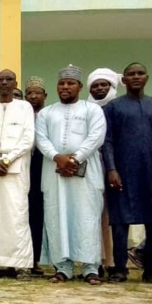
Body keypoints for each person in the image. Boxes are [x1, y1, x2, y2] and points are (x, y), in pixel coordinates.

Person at [103, 62, 152, 284]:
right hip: (123, 171)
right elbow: (107, 142)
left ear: (147, 77)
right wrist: (111, 169)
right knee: (119, 221)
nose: (136, 77)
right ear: (124, 80)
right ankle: (119, 269)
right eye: (131, 74)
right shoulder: (113, 108)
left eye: (140, 73)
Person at [35, 65, 106, 284]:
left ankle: (90, 268)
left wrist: (75, 158)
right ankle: (62, 267)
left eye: (70, 83)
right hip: (54, 171)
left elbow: (97, 136)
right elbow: (40, 139)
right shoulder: (47, 112)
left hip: (86, 173)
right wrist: (58, 157)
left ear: (80, 87)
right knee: (57, 217)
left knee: (87, 216)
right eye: (61, 83)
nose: (65, 87)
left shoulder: (92, 110)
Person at [0, 70, 36, 280]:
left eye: (8, 80)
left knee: (16, 215)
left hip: (16, 167)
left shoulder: (24, 107)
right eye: (1, 80)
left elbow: (27, 139)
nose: (4, 83)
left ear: (15, 83)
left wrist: (6, 160)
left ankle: (21, 265)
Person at [86, 67, 121, 276]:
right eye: (95, 85)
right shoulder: (87, 109)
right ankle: (97, 259)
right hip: (93, 168)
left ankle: (114, 261)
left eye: (103, 84)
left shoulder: (119, 107)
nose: (99, 88)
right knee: (96, 216)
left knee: (114, 217)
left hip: (117, 169)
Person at [24, 76, 48, 275]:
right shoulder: (22, 114)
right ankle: (28, 258)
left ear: (44, 96)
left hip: (46, 166)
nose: (33, 96)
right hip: (25, 167)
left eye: (37, 93)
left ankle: (39, 258)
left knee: (42, 214)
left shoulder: (49, 114)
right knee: (28, 213)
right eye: (29, 93)